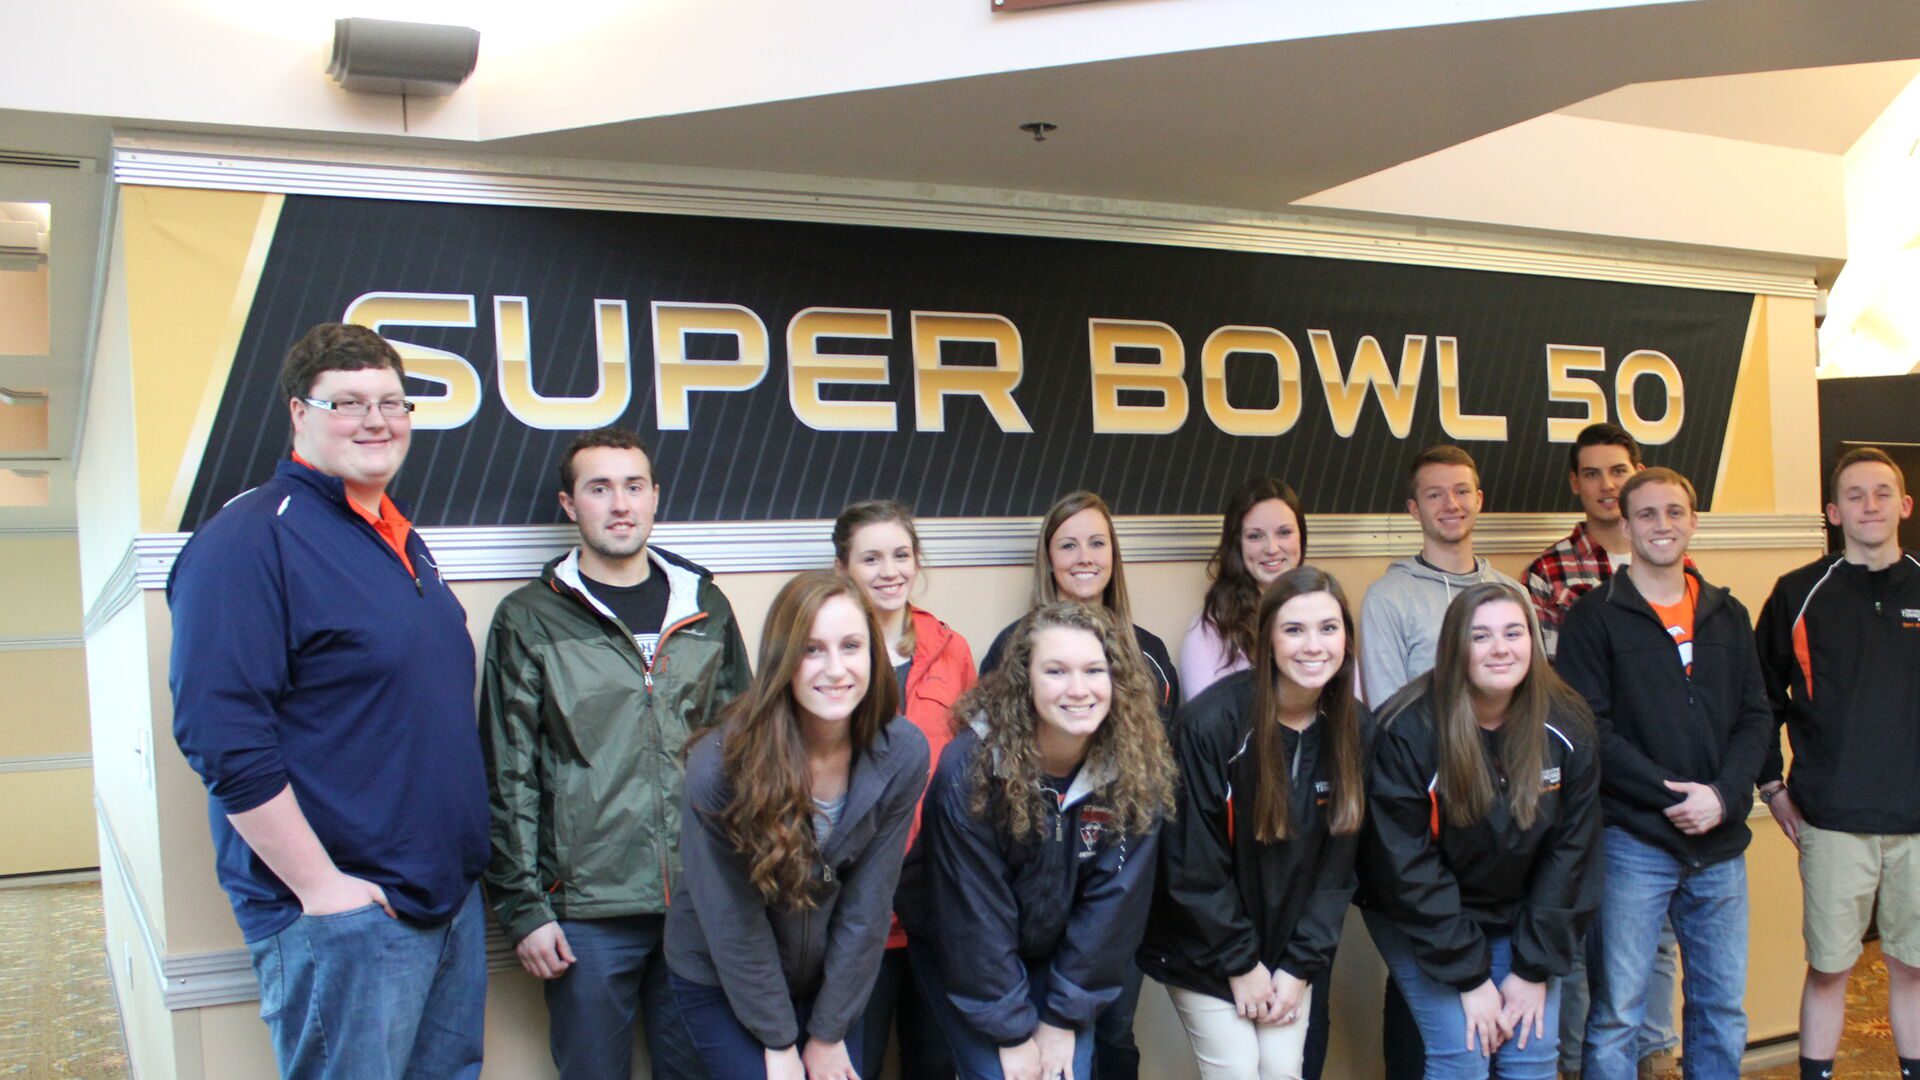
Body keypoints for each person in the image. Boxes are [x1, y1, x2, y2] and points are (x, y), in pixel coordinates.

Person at [168, 323, 490, 1078]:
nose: (376, 420)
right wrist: (322, 888)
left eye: (392, 402)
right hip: (348, 919)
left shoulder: (401, 538)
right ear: (298, 415)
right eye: (347, 402)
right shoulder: (248, 541)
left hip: (446, 904)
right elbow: (221, 736)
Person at [480, 427, 751, 1080]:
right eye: (599, 488)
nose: (620, 504)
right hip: (584, 917)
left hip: (698, 907)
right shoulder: (529, 619)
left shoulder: (705, 606)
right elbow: (506, 772)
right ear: (571, 505)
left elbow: (745, 755)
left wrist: (746, 887)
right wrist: (524, 909)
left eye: (633, 487)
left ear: (655, 497)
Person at [664, 570, 929, 1080]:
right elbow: (734, 924)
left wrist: (827, 1034)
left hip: (828, 971)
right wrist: (780, 1042)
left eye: (851, 646)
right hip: (723, 975)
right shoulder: (720, 764)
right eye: (811, 650)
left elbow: (867, 907)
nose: (835, 669)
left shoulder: (903, 753)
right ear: (783, 660)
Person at [1556, 467, 1774, 1080]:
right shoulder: (1593, 618)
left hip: (1721, 843)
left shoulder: (1727, 614)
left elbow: (1757, 716)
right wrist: (1670, 795)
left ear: (1693, 522)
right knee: (1618, 1015)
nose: (1662, 525)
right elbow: (1588, 728)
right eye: (1647, 514)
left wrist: (1724, 798)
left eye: (1675, 512)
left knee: (1721, 1010)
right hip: (1632, 841)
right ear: (1623, 526)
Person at [902, 601, 1177, 1080]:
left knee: (1066, 1071)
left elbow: (1112, 908)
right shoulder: (971, 770)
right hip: (966, 951)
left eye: (1094, 670)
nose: (1078, 689)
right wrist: (1010, 1034)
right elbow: (973, 919)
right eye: (1056, 671)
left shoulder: (1135, 769)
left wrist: (1061, 1019)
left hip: (1063, 949)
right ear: (1024, 682)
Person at [1361, 583, 1601, 1080]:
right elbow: (1406, 869)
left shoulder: (1568, 721)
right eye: (1481, 636)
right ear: (1454, 648)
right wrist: (1470, 979)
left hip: (1520, 910)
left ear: (1532, 642)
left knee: (1531, 1055)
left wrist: (1532, 969)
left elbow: (1572, 853)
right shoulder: (1407, 730)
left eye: (1514, 633)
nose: (1500, 648)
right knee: (1464, 1053)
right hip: (1421, 913)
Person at [1140, 566, 1370, 1080]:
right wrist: (1241, 965)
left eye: (1329, 629)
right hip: (1204, 944)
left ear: (1347, 641)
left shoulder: (1356, 730)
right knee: (1239, 1071)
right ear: (1267, 639)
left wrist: (1297, 968)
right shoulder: (1210, 725)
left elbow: (1339, 871)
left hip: (1288, 949)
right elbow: (1190, 864)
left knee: (1283, 1070)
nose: (1314, 645)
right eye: (1294, 630)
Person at [978, 490, 1178, 1079]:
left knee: (1113, 1031)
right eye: (1068, 544)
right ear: (1048, 558)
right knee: (1033, 1042)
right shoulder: (1013, 648)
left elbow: (1161, 782)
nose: (1084, 556)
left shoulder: (1152, 655)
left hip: (1119, 886)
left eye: (1097, 542)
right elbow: (988, 778)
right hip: (1030, 892)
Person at [1518, 422, 1679, 1080]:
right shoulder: (1549, 572)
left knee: (1660, 932)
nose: (1607, 485)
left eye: (1618, 471)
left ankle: (1655, 1055)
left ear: (1637, 473)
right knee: (1581, 932)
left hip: (1659, 781)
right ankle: (1579, 1064)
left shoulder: (1676, 561)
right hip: (1584, 783)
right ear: (1575, 485)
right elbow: (1550, 687)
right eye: (1592, 474)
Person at [1756, 446, 1920, 1080]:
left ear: (1905, 505)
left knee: (1910, 967)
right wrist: (1771, 785)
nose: (1869, 505)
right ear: (1833, 511)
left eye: (1882, 493)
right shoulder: (1799, 593)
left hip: (1916, 820)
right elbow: (1757, 699)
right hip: (1831, 821)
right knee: (1830, 968)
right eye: (1854, 494)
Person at [1361, 444, 1522, 1079]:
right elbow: (1384, 716)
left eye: (1462, 490)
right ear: (1413, 508)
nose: (1450, 504)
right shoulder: (1388, 595)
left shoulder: (1510, 592)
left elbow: (1528, 708)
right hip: (1425, 826)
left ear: (1479, 498)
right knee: (1422, 1000)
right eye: (1435, 494)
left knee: (1488, 1022)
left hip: (1500, 836)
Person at [833, 499, 976, 1080]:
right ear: (843, 568)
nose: (889, 570)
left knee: (936, 1060)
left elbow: (972, 766)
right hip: (855, 903)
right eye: (871, 558)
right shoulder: (829, 654)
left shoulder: (951, 647)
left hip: (936, 897)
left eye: (900, 554)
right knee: (853, 1061)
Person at [1179, 477, 1308, 701]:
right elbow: (1206, 729)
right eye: (1255, 536)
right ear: (1237, 544)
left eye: (1284, 532)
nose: (1272, 548)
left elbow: (1348, 714)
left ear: (1301, 537)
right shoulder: (1209, 629)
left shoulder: (1325, 615)